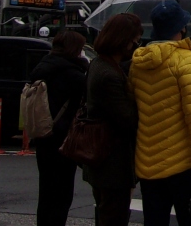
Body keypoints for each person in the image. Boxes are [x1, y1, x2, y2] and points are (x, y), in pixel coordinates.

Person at [131, 0, 191, 226]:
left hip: (148, 164)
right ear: (181, 27)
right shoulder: (186, 60)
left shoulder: (138, 63)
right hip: (184, 164)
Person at [82, 14, 142, 226]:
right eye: (135, 41)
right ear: (123, 41)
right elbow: (127, 118)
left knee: (107, 212)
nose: (136, 46)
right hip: (112, 163)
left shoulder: (99, 64)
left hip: (101, 160)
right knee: (113, 216)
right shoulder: (109, 75)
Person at [29, 31, 89, 226]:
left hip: (43, 134)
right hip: (63, 138)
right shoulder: (72, 74)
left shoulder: (43, 67)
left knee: (46, 192)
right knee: (62, 194)